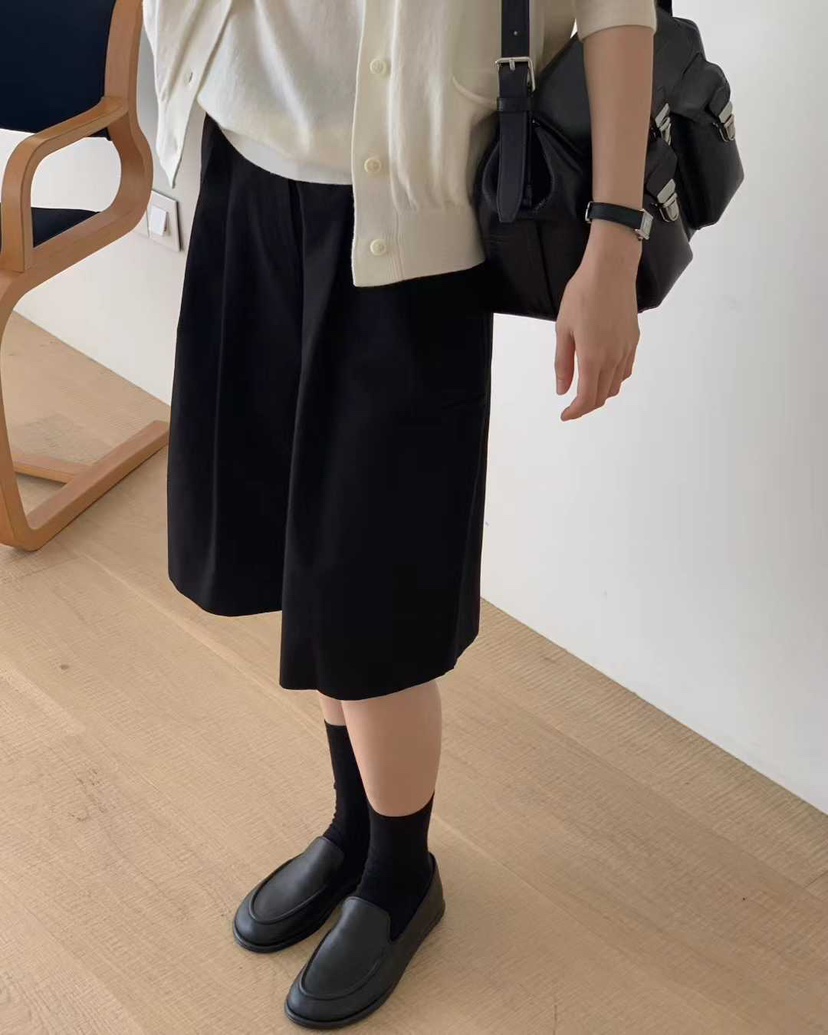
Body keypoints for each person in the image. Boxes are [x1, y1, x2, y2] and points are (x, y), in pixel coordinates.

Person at [143, 0, 658, 1027]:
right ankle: (355, 830)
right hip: (245, 175)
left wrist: (615, 238)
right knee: (310, 564)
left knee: (371, 589)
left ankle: (400, 873)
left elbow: (618, 7)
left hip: (409, 221)